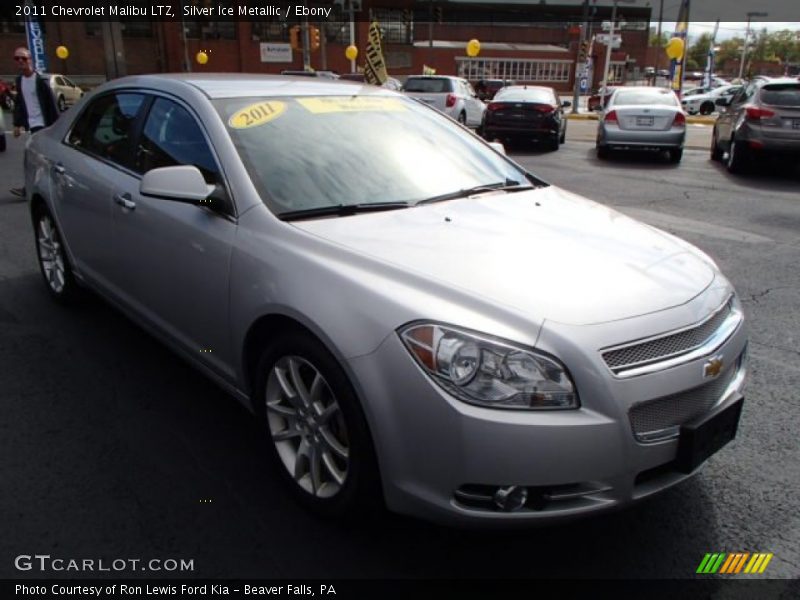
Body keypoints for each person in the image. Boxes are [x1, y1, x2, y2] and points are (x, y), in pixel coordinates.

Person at [9, 47, 58, 197]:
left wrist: (55, 127)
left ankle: (28, 189)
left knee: (32, 157)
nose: (20, 61)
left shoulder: (40, 81)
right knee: (43, 158)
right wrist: (17, 124)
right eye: (17, 59)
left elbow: (51, 105)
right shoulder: (19, 81)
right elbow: (20, 103)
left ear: (30, 60)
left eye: (23, 58)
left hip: (42, 125)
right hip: (31, 124)